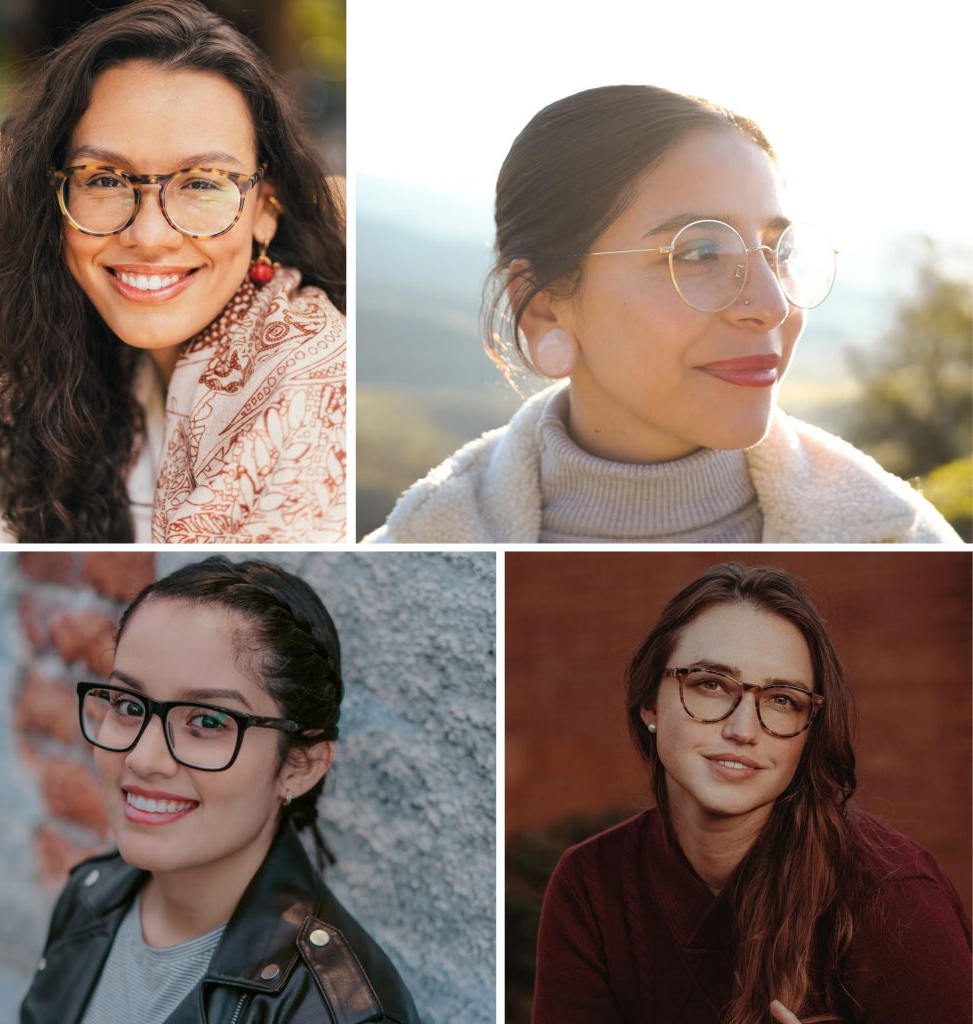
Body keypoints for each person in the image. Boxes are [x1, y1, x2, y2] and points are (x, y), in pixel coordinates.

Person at [366, 85, 959, 544]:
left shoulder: (907, 546)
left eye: (779, 253)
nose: (772, 305)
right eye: (699, 253)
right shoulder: (405, 554)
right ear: (544, 305)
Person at [0, 0, 346, 542]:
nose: (150, 235)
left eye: (203, 182)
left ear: (266, 210)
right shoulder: (90, 370)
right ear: (55, 196)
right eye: (106, 179)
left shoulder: (311, 392)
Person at [530, 562, 971, 1023]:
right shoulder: (592, 884)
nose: (743, 730)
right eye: (711, 684)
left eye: (783, 700)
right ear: (649, 704)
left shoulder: (892, 896)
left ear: (809, 733)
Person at [19, 556, 419, 1024]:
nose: (143, 759)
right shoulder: (91, 895)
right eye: (128, 704)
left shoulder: (334, 1012)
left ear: (301, 764)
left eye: (207, 721)